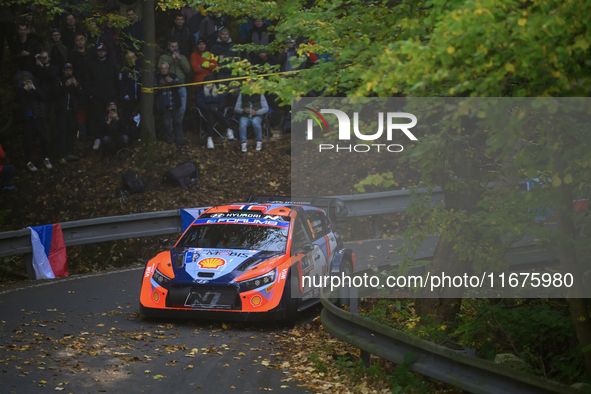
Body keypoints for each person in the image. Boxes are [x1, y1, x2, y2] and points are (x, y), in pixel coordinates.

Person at [85, 43, 119, 150]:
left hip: (110, 96)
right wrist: (90, 94)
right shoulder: (91, 64)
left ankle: (111, 138)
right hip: (96, 97)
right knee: (98, 118)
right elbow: (87, 81)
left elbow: (116, 80)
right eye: (99, 51)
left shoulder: (111, 64)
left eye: (103, 51)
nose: (101, 53)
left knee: (111, 116)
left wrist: (115, 95)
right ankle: (98, 138)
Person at [18, 72, 52, 171]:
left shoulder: (34, 87)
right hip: (27, 118)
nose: (26, 82)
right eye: (24, 81)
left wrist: (34, 88)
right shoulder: (20, 89)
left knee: (42, 136)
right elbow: (18, 99)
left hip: (37, 116)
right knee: (28, 140)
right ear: (21, 81)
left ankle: (46, 158)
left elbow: (43, 98)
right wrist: (24, 90)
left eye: (28, 80)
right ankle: (28, 161)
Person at [196, 75, 234, 149]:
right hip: (206, 111)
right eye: (208, 83)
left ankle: (228, 129)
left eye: (211, 83)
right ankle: (209, 139)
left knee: (218, 114)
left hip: (218, 110)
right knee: (210, 117)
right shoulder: (201, 93)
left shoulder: (218, 91)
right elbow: (200, 104)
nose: (209, 85)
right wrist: (210, 108)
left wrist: (217, 108)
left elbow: (222, 102)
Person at [56, 63, 82, 164]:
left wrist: (75, 85)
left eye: (70, 70)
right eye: (66, 70)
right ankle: (61, 155)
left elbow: (80, 94)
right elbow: (55, 93)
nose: (68, 72)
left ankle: (70, 153)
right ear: (63, 71)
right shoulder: (59, 80)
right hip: (62, 111)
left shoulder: (74, 80)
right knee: (62, 133)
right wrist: (64, 86)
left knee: (71, 132)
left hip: (72, 110)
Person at [158, 39, 191, 121]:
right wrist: (171, 59)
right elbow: (160, 68)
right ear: (169, 47)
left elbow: (187, 70)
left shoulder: (182, 57)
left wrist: (179, 60)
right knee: (170, 109)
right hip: (169, 86)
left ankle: (178, 126)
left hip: (181, 85)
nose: (174, 48)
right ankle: (171, 128)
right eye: (172, 46)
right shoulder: (164, 57)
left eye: (176, 46)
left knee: (182, 109)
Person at [233, 79, 269, 152]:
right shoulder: (242, 94)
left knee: (255, 122)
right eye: (249, 85)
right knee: (242, 124)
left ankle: (259, 141)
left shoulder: (260, 94)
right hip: (245, 115)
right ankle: (243, 143)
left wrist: (257, 112)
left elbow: (266, 108)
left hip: (257, 115)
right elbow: (236, 108)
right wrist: (243, 110)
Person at [154, 62, 183, 147]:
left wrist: (172, 81)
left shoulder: (173, 75)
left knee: (178, 122)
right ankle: (170, 140)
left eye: (165, 68)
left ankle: (179, 141)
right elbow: (154, 91)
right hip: (164, 105)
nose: (164, 70)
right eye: (162, 68)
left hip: (175, 103)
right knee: (166, 123)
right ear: (160, 69)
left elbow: (180, 85)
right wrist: (160, 85)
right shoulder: (157, 77)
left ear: (168, 68)